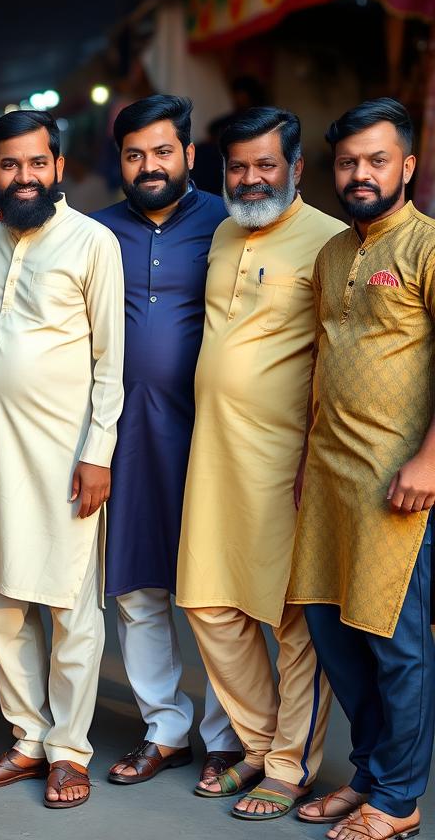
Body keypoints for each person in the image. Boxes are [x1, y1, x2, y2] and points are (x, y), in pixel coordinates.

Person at [176, 107, 342, 820]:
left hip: (289, 459)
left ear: (296, 168)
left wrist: (317, 451)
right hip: (213, 454)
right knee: (207, 600)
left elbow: (340, 359)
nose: (249, 180)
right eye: (237, 167)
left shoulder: (331, 243)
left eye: (265, 165)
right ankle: (259, 741)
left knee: (295, 618)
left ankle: (287, 764)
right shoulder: (221, 231)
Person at [0, 109, 125, 810]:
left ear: (57, 168)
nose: (23, 177)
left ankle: (68, 750)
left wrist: (99, 451)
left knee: (69, 607)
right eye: (9, 164)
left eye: (36, 164)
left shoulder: (93, 242)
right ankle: (26, 738)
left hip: (67, 454)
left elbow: (111, 361)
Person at [289, 99, 435, 840]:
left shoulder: (427, 247)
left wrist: (431, 460)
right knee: (332, 630)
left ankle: (400, 798)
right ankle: (372, 774)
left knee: (394, 643)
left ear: (407, 165)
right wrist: (306, 464)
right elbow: (322, 364)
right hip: (330, 478)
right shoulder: (335, 255)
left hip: (399, 485)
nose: (361, 173)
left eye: (377, 160)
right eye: (349, 162)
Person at [91, 95, 240, 787]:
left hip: (210, 437)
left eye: (161, 151)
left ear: (187, 154)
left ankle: (226, 732)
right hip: (123, 438)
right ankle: (166, 727)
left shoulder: (230, 222)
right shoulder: (94, 233)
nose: (148, 166)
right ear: (118, 160)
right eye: (133, 154)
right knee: (136, 586)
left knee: (213, 587)